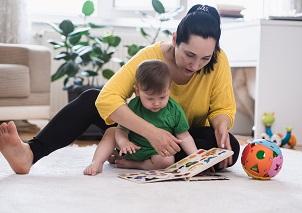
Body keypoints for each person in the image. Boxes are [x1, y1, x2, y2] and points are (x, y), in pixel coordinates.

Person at [0, 4, 240, 175]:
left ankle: (143, 161)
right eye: (189, 54)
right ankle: (29, 154)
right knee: (91, 98)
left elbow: (222, 107)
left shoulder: (219, 61)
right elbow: (107, 98)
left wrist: (220, 126)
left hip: (183, 136)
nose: (195, 65)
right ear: (176, 38)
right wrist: (151, 132)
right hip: (138, 133)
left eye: (204, 58)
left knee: (230, 145)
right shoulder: (150, 57)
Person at [84, 60, 198, 175]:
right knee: (110, 132)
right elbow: (121, 129)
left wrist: (197, 158)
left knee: (167, 161)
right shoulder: (134, 105)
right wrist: (123, 142)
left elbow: (184, 136)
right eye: (150, 98)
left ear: (169, 89)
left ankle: (136, 165)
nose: (156, 103)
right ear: (138, 91)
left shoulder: (174, 110)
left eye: (162, 97)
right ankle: (96, 162)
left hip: (154, 152)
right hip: (130, 147)